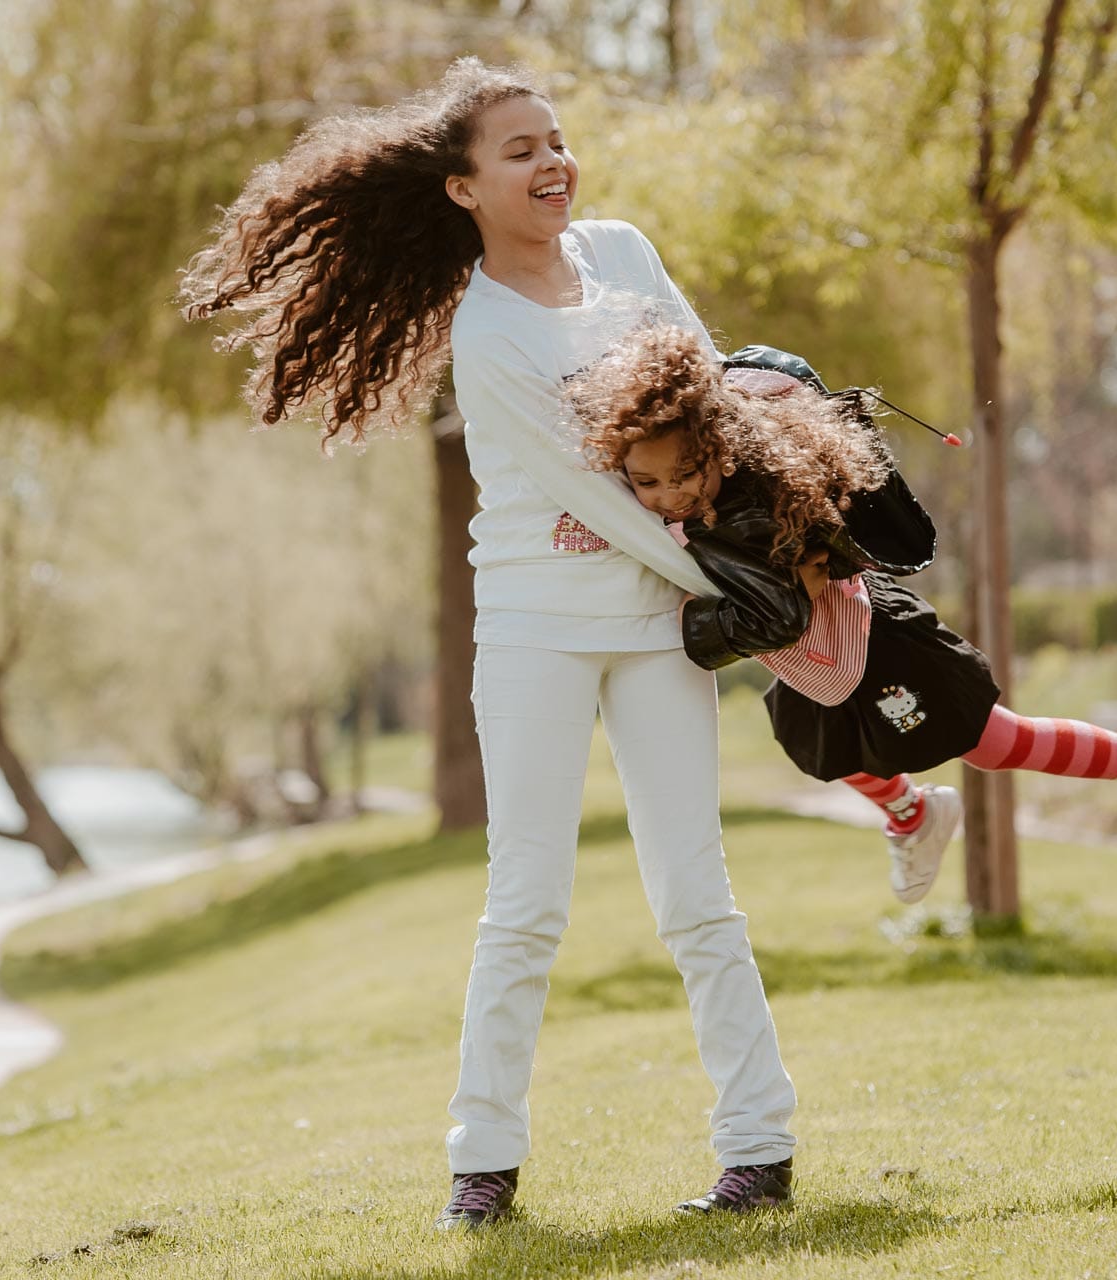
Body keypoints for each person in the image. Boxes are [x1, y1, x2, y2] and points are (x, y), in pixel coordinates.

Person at [177, 59, 797, 1228]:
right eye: (518, 150)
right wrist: (737, 594)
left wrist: (765, 547)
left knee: (696, 893)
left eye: (554, 140)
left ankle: (759, 1147)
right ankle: (483, 1163)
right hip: (539, 633)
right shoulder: (486, 328)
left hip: (665, 622)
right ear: (461, 188)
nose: (551, 162)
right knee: (526, 898)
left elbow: (703, 405)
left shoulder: (626, 255)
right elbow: (604, 498)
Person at [564, 324, 1117, 903]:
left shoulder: (743, 512)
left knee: (993, 742)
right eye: (645, 483)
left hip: (870, 637)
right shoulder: (698, 502)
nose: (667, 496)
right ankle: (914, 816)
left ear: (719, 449)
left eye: (684, 475)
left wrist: (690, 630)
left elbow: (777, 619)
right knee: (823, 747)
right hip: (821, 658)